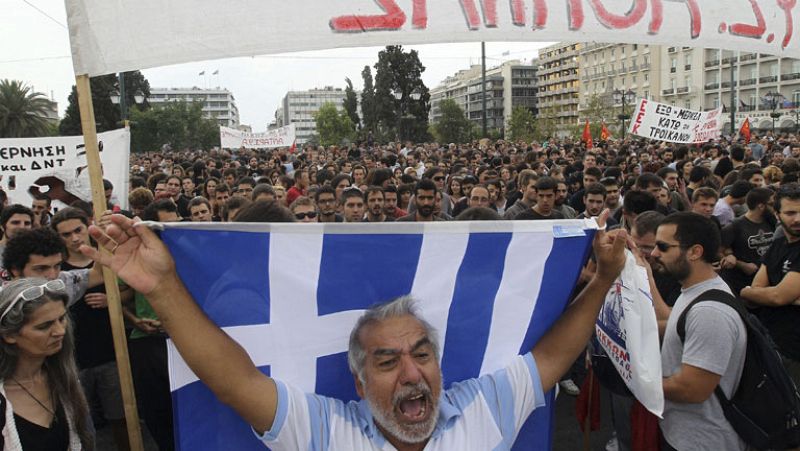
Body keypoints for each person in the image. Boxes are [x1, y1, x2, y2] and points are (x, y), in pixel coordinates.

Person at [80, 211, 627, 451]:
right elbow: (234, 379)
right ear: (361, 385)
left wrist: (602, 280)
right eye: (388, 362)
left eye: (421, 354)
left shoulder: (484, 407)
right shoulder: (323, 432)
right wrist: (162, 285)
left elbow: (553, 356)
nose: (413, 374)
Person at [654, 212, 747, 451]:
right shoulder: (695, 291)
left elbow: (693, 389)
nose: (654, 254)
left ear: (695, 252)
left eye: (663, 247)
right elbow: (679, 327)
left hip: (702, 441)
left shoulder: (709, 311)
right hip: (685, 434)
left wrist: (641, 382)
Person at [0, 277, 95, 450]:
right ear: (9, 335)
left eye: (62, 319)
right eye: (44, 326)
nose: (60, 331)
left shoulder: (66, 381)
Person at [741, 183, 800, 388]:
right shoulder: (778, 244)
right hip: (772, 343)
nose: (798, 219)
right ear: (777, 214)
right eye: (791, 213)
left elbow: (778, 297)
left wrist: (757, 293)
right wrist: (747, 291)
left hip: (795, 351)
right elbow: (756, 289)